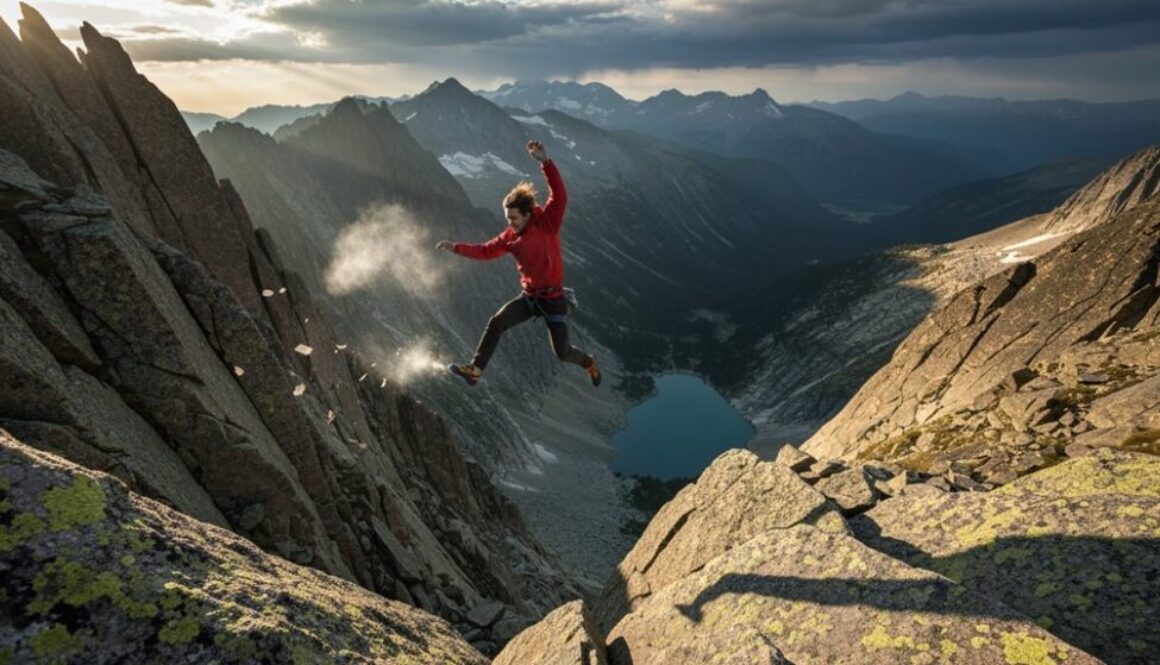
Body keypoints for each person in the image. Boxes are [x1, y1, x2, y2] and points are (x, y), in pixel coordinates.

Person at [437, 140, 601, 388]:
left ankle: (589, 362)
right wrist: (456, 247)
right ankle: (475, 371)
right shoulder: (510, 237)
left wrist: (545, 162)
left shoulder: (547, 223)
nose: (510, 223)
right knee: (497, 322)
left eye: (513, 218)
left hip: (553, 298)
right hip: (530, 297)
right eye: (507, 218)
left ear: (527, 214)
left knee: (562, 352)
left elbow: (559, 196)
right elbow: (486, 251)